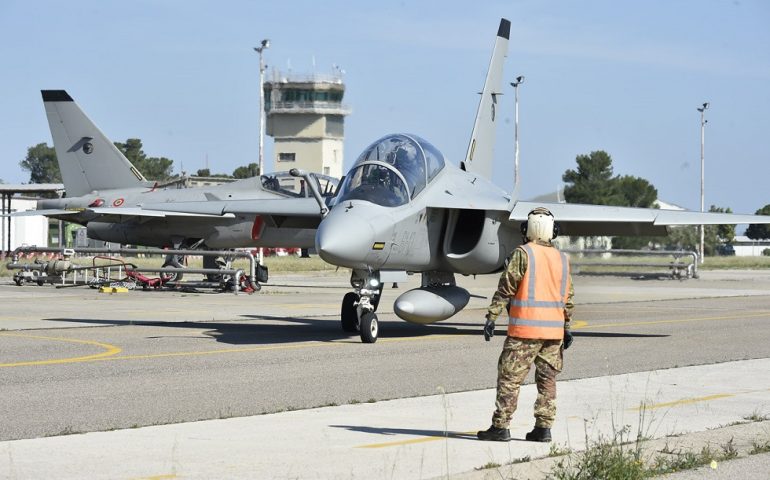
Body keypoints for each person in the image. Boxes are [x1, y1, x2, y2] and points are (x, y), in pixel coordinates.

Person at [477, 207, 575, 443]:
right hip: (553, 334)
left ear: (527, 230)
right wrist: (567, 326)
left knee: (510, 379)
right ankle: (543, 429)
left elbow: (506, 287)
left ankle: (500, 427)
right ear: (553, 231)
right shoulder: (562, 259)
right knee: (547, 381)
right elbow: (568, 297)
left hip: (524, 333)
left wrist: (492, 316)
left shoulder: (523, 254)